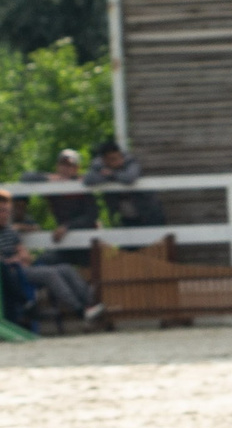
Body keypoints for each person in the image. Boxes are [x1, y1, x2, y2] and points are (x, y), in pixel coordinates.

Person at [0, 192, 100, 325]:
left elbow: (25, 255)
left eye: (7, 211)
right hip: (11, 273)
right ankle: (78, 309)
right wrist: (14, 260)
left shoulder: (10, 231)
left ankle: (90, 303)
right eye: (2, 211)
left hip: (23, 268)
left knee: (65, 268)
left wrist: (19, 257)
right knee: (50, 273)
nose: (5, 214)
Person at [85, 138, 163, 226]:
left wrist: (112, 174)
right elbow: (88, 179)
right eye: (113, 159)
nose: (118, 161)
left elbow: (130, 178)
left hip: (148, 213)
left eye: (119, 157)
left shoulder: (130, 161)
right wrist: (109, 174)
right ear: (104, 160)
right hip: (126, 217)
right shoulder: (99, 166)